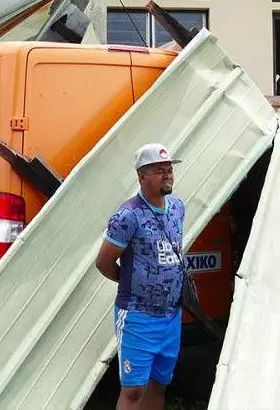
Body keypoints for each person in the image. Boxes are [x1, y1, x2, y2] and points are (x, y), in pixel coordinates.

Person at [94, 143, 186, 410]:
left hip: (171, 315)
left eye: (169, 169)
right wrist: (133, 284)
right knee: (134, 390)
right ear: (141, 176)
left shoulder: (178, 208)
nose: (167, 174)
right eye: (159, 171)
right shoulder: (127, 216)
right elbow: (104, 262)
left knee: (159, 385)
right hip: (138, 316)